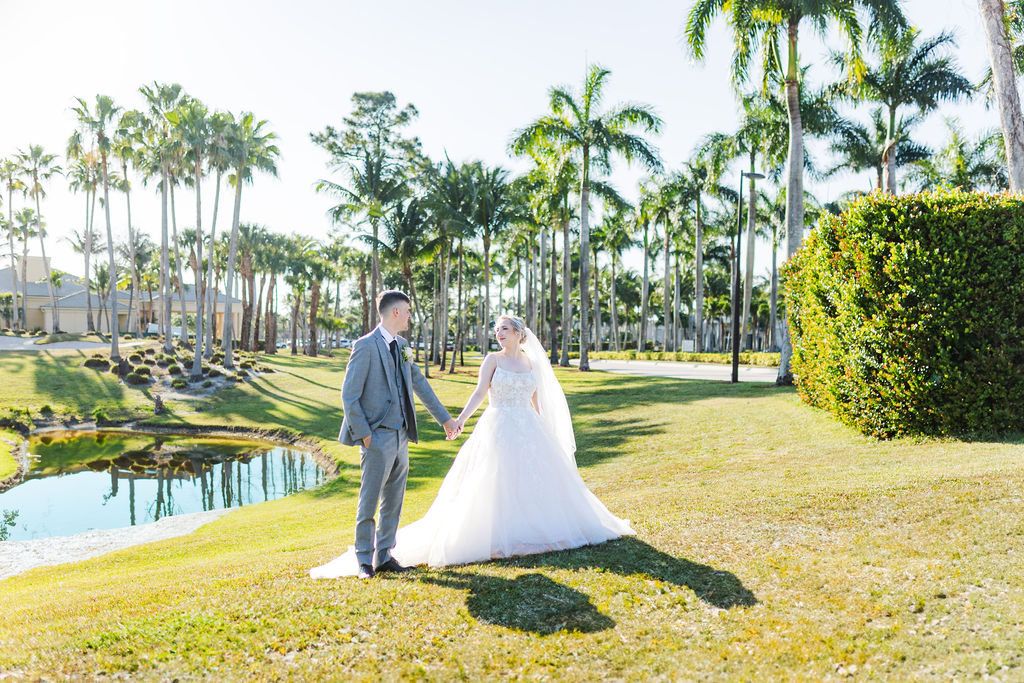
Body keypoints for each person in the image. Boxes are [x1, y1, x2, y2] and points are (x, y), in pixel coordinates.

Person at [311, 314, 631, 578]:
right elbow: (480, 393)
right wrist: (458, 420)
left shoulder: (532, 363)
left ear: (519, 333)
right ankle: (370, 556)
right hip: (498, 427)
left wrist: (547, 432)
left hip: (529, 430)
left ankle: (533, 532)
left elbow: (536, 403)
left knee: (533, 484)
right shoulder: (491, 360)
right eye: (497, 330)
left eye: (504, 329)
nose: (499, 334)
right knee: (493, 483)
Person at [329, 290, 461, 580]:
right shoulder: (365, 346)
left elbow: (419, 383)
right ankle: (364, 561)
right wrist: (365, 435)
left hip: (402, 435)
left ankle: (385, 555)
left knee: (394, 499)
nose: (411, 317)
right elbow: (349, 396)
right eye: (409, 311)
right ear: (396, 312)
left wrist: (446, 420)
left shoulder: (402, 346)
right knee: (370, 499)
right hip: (376, 437)